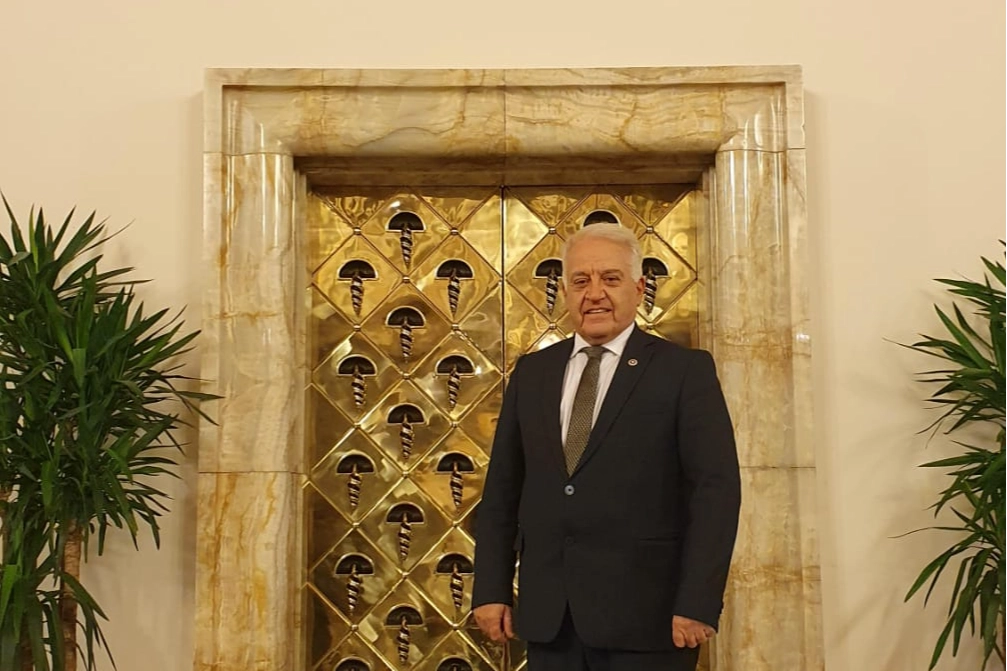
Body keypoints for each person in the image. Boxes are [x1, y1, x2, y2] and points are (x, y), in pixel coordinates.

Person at [471, 222, 741, 671]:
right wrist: (491, 588)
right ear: (564, 292)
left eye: (610, 279)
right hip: (551, 620)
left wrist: (698, 599)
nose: (594, 293)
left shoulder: (683, 372)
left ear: (638, 288)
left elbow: (715, 493)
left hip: (650, 620)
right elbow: (502, 491)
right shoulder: (533, 373)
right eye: (580, 281)